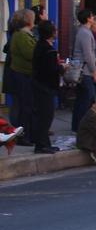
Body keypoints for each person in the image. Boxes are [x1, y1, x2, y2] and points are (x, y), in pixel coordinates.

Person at [30, 20, 61, 154]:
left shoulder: (41, 46)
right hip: (45, 86)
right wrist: (62, 67)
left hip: (39, 84)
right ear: (51, 33)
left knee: (44, 115)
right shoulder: (48, 50)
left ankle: (44, 142)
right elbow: (50, 70)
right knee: (45, 116)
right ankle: (41, 144)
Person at [7, 8, 36, 144]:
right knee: (24, 106)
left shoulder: (25, 34)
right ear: (28, 20)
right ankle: (23, 136)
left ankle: (27, 133)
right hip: (22, 75)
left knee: (26, 106)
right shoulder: (21, 36)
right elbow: (30, 54)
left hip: (24, 74)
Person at [71, 9, 96, 132]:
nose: (93, 18)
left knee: (82, 99)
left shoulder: (84, 32)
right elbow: (88, 55)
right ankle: (81, 126)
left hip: (84, 70)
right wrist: (94, 72)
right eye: (92, 16)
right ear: (88, 19)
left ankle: (77, 126)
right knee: (88, 98)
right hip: (85, 71)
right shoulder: (85, 33)